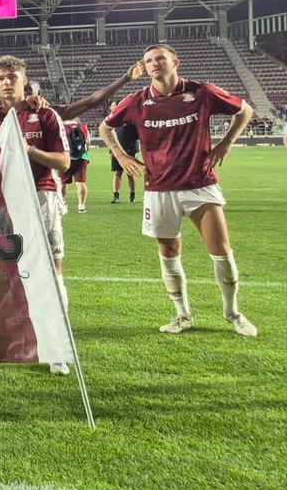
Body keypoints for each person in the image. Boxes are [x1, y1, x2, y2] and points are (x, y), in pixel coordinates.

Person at [100, 43, 257, 338]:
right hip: (159, 189)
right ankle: (182, 315)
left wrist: (226, 143)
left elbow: (245, 110)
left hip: (200, 184)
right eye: (148, 60)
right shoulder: (137, 100)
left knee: (222, 252)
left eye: (160, 58)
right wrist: (121, 156)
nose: (153, 63)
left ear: (175, 62)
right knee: (169, 253)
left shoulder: (202, 92)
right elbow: (105, 128)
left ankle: (233, 313)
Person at [0, 56, 72, 374]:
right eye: (1, 78)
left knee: (52, 271)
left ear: (24, 79)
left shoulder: (44, 114)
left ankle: (56, 346)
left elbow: (64, 162)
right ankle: (9, 340)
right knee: (6, 274)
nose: (7, 82)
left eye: (12, 77)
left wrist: (28, 151)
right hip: (4, 202)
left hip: (41, 197)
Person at [110, 101, 139, 204]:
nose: (112, 108)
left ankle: (132, 196)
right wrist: (111, 151)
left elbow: (137, 135)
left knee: (130, 174)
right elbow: (111, 137)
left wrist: (135, 151)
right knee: (117, 173)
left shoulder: (129, 118)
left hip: (130, 150)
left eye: (114, 106)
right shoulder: (114, 121)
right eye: (112, 106)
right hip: (117, 150)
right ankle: (116, 196)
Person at [62, 119, 90, 213]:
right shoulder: (82, 126)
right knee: (81, 181)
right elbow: (87, 143)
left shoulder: (61, 126)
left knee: (63, 182)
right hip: (81, 158)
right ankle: (81, 205)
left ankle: (62, 201)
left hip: (65, 157)